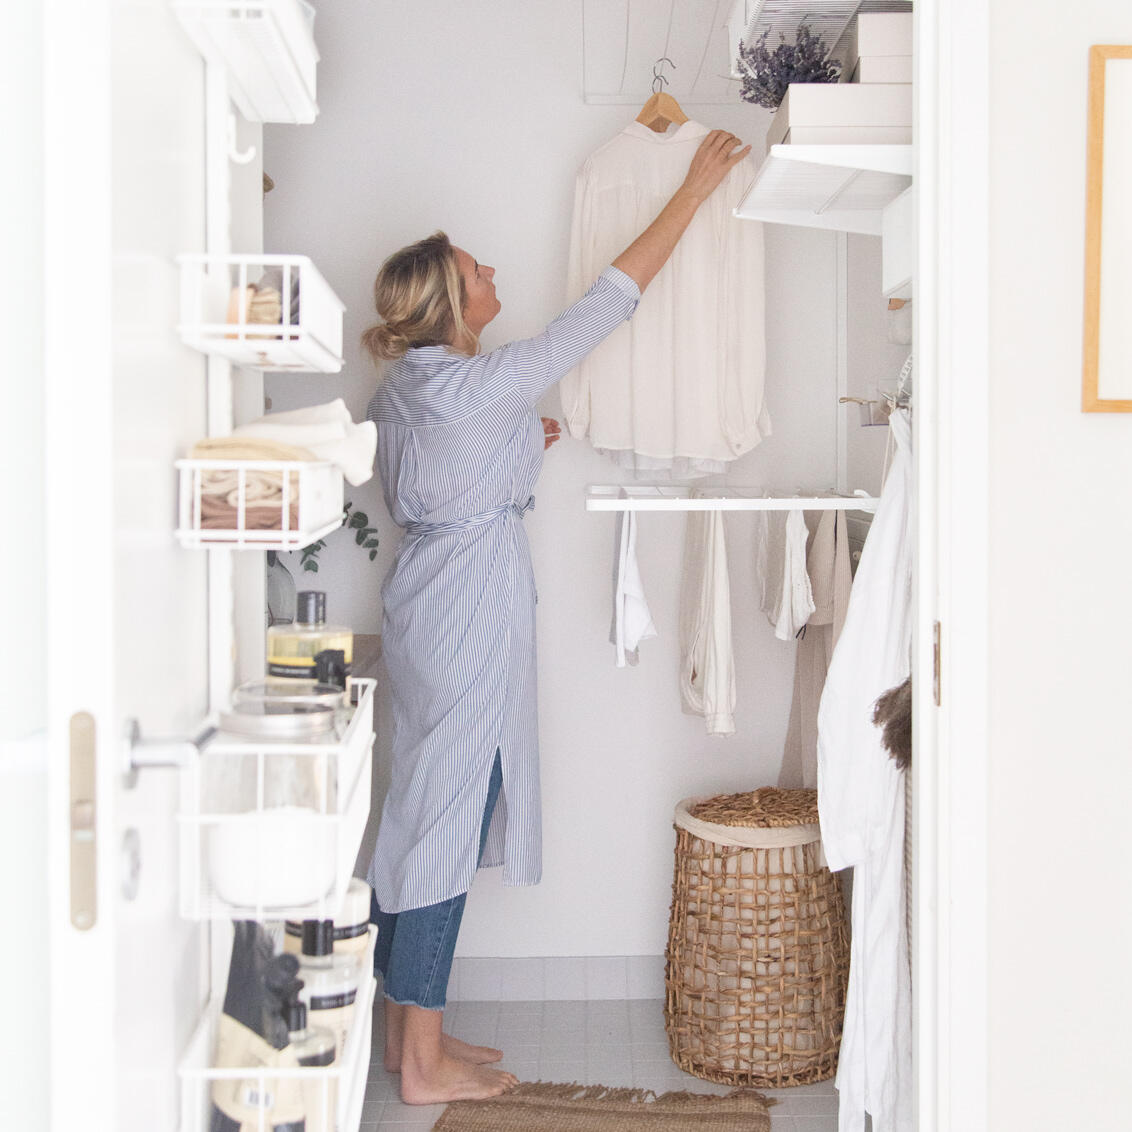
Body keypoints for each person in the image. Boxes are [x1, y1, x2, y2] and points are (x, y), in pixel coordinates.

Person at [360, 129, 750, 1105]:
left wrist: (517, 446)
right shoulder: (480, 382)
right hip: (467, 615)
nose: (492, 270)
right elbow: (609, 302)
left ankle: (409, 1039)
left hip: (426, 607)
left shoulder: (411, 388)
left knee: (422, 819)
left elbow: (445, 476)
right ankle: (421, 1063)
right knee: (441, 831)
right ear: (454, 308)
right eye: (474, 269)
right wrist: (694, 190)